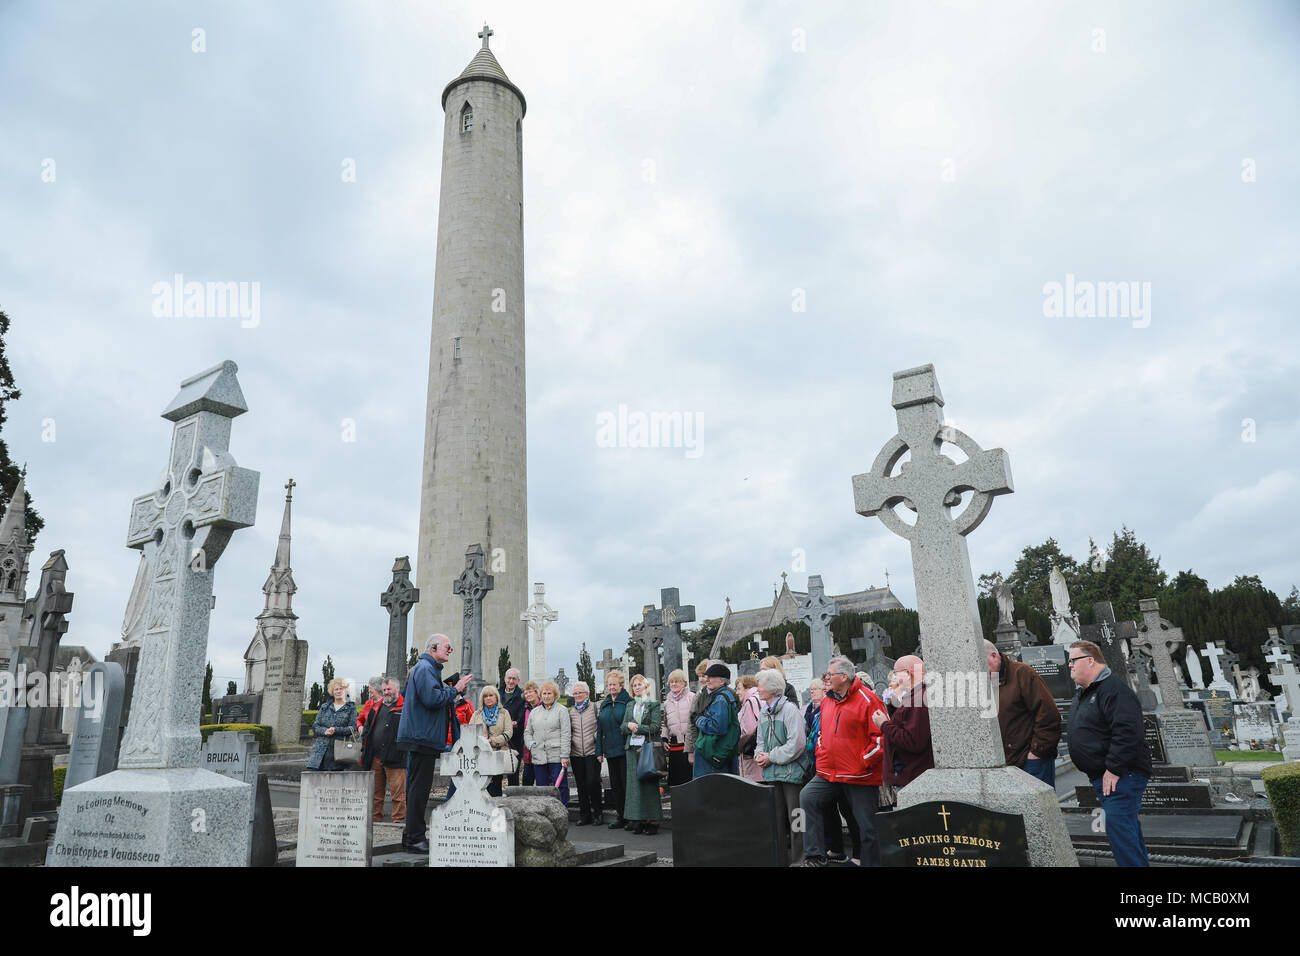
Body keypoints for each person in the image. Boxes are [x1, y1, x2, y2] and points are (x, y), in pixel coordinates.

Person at [1066, 639, 1152, 867]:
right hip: (1104, 777)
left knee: (1121, 833)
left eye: (1073, 660)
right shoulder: (1085, 693)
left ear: (1090, 661)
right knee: (1127, 832)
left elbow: (1128, 731)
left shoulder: (1113, 690)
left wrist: (1113, 768)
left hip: (1121, 776)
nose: (1070, 665)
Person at [795, 657, 886, 867]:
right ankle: (815, 856)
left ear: (844, 677)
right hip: (829, 772)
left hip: (859, 774)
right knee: (808, 797)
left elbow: (881, 740)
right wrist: (822, 754)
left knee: (867, 827)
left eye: (829, 675)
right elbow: (822, 733)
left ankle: (871, 863)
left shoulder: (869, 699)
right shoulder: (828, 700)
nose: (826, 678)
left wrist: (861, 762)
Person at [397, 633, 472, 853]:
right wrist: (456, 688)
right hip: (422, 737)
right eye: (447, 647)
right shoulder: (425, 669)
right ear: (433, 648)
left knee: (417, 789)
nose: (450, 650)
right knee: (419, 790)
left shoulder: (427, 669)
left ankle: (411, 835)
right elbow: (432, 699)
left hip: (423, 737)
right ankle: (415, 838)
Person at [984, 639, 1062, 786]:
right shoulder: (986, 681)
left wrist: (1037, 752)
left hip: (1031, 761)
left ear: (994, 656)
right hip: (1005, 764)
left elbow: (1048, 715)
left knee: (1039, 808)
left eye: (981, 664)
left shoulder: (1022, 674)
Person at [755, 668, 809, 864]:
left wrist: (771, 756)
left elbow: (797, 744)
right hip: (772, 774)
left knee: (797, 821)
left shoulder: (790, 710)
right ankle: (780, 860)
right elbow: (760, 740)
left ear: (771, 688)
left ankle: (800, 860)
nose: (758, 689)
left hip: (791, 775)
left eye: (760, 685)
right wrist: (759, 755)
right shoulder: (763, 711)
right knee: (776, 822)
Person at [878, 655, 934, 789]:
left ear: (908, 674)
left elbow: (913, 741)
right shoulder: (915, 696)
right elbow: (904, 723)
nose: (895, 679)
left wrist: (884, 724)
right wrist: (892, 706)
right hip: (912, 774)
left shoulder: (920, 700)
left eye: (896, 674)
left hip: (914, 776)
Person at [621, 674, 663, 835]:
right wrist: (628, 726)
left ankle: (653, 820)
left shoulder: (652, 704)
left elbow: (656, 726)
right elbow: (623, 726)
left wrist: (639, 728)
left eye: (639, 685)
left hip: (647, 749)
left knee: (649, 785)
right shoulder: (630, 705)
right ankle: (640, 819)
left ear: (646, 687)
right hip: (632, 749)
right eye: (634, 685)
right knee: (635, 788)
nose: (637, 687)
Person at [359, 676, 405, 822]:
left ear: (397, 689)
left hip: (395, 757)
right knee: (376, 793)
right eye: (384, 690)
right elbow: (367, 728)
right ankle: (375, 820)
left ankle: (397, 821)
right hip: (376, 756)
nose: (386, 692)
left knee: (398, 794)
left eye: (389, 689)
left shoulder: (405, 708)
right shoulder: (376, 707)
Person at [525, 680, 571, 806]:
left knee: (560, 785)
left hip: (556, 755)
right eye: (544, 693)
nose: (546, 696)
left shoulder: (562, 710)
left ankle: (562, 809)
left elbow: (566, 733)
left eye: (549, 693)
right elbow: (527, 732)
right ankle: (545, 812)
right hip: (539, 754)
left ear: (555, 695)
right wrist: (531, 745)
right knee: (541, 787)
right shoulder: (535, 712)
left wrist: (565, 754)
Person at [596, 670, 632, 829]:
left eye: (614, 684)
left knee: (626, 784)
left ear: (621, 685)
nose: (611, 687)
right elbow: (600, 728)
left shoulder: (627, 702)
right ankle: (620, 816)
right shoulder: (604, 704)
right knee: (616, 785)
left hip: (625, 748)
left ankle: (631, 817)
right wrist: (599, 751)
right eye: (609, 684)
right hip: (610, 749)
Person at [694, 663, 740, 778]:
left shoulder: (720, 699)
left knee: (711, 791)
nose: (707, 680)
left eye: (712, 677)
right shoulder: (724, 695)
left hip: (713, 752)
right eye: (707, 676)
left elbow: (718, 727)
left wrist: (699, 719)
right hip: (721, 752)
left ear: (722, 681)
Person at [468, 684, 514, 797]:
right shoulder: (477, 714)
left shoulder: (504, 713)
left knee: (495, 786)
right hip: (480, 755)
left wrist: (492, 740)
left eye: (491, 695)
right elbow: (470, 732)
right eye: (485, 696)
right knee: (481, 787)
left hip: (497, 753)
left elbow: (508, 732)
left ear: (496, 697)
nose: (488, 698)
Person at [569, 681, 602, 825]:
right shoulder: (571, 712)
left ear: (587, 694)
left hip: (592, 751)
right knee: (581, 785)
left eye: (580, 693)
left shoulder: (595, 708)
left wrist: (595, 737)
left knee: (593, 782)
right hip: (576, 753)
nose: (577, 695)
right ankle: (585, 814)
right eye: (575, 693)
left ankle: (598, 813)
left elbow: (601, 727)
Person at [308, 678, 358, 771]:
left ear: (345, 690)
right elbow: (315, 726)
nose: (338, 691)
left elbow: (353, 728)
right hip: (320, 754)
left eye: (341, 688)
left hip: (338, 754)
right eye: (336, 689)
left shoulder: (351, 708)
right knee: (316, 783)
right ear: (332, 691)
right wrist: (324, 731)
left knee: (334, 783)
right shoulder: (325, 707)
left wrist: (336, 730)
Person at [659, 669, 696, 787]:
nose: (674, 684)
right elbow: (665, 723)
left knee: (689, 776)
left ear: (684, 683)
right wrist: (664, 738)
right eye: (671, 682)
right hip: (675, 744)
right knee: (677, 778)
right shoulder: (667, 703)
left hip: (689, 742)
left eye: (677, 681)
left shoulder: (692, 698)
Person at [501, 668, 526, 786]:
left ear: (518, 681)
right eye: (509, 678)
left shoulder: (521, 697)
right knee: (496, 774)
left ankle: (513, 801)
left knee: (513, 773)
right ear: (505, 679)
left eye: (514, 679)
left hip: (515, 740)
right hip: (498, 740)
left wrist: (515, 724)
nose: (511, 681)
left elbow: (521, 720)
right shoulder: (498, 693)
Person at [736, 674, 763, 782]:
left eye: (739, 689)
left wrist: (737, 746)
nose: (737, 692)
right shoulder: (759, 698)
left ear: (748, 688)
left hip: (751, 756)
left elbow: (748, 730)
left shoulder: (751, 701)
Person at [519, 680, 540, 786]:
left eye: (530, 692)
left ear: (536, 692)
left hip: (541, 750)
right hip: (528, 752)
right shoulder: (525, 708)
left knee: (543, 783)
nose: (528, 695)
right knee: (527, 782)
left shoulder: (543, 707)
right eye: (526, 693)